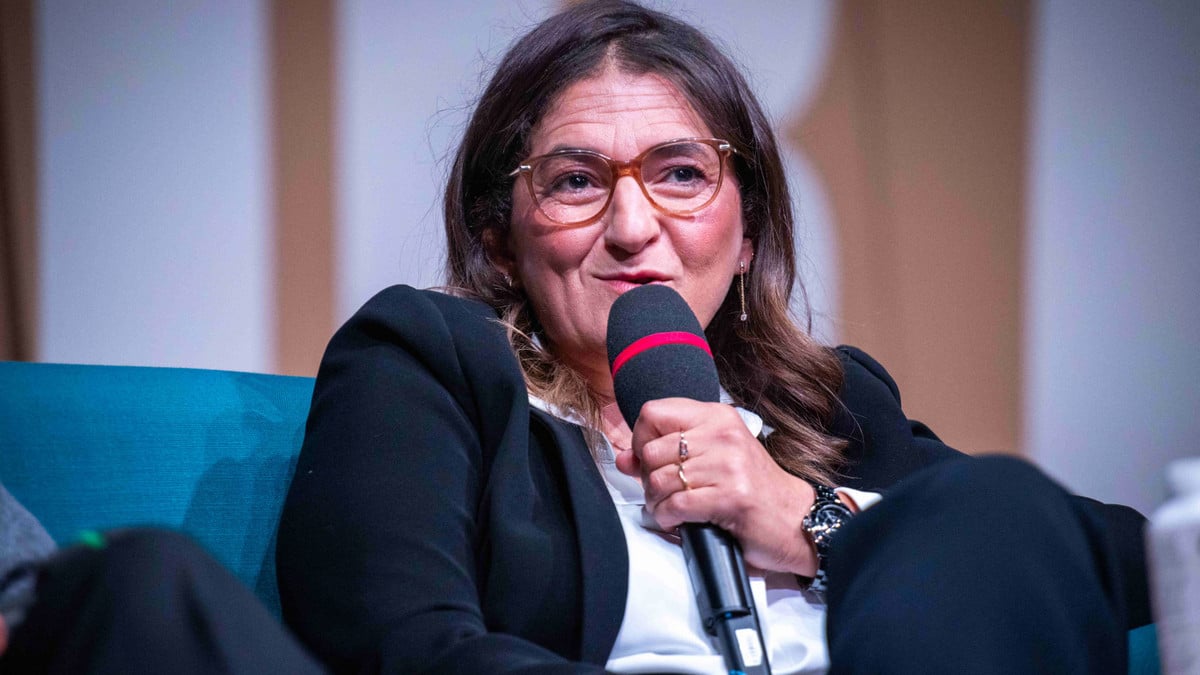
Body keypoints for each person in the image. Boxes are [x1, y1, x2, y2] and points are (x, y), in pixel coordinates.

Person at [275, 2, 1150, 674]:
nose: (632, 227)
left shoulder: (829, 407)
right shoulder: (432, 364)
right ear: (501, 239)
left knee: (997, 499)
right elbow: (407, 647)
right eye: (575, 181)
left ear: (749, 234)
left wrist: (808, 520)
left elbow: (1123, 559)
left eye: (681, 174)